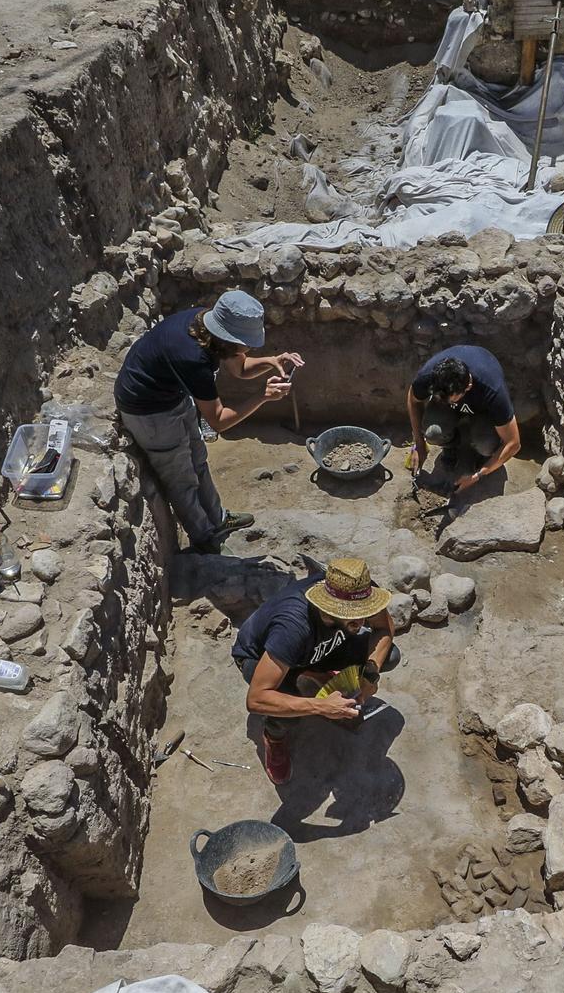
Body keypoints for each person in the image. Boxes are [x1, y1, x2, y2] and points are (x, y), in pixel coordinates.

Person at [114, 290, 302, 553]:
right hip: (147, 410)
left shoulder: (208, 327)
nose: (248, 349)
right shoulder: (193, 359)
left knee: (198, 458)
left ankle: (218, 519)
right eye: (246, 344)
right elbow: (219, 421)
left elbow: (241, 369)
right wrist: (262, 396)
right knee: (181, 478)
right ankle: (204, 540)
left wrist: (272, 362)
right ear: (229, 339)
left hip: (173, 393)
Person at [233, 557, 400, 784]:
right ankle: (274, 737)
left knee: (389, 656)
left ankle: (316, 674)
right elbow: (256, 699)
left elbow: (383, 627)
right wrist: (320, 706)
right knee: (289, 716)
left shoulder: (356, 589)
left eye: (364, 611)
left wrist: (370, 673)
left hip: (310, 652)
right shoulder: (293, 627)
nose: (362, 621)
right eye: (353, 614)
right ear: (330, 607)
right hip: (263, 659)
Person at [405, 346, 522, 493]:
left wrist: (479, 474)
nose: (443, 401)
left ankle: (481, 456)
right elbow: (413, 399)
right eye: (439, 397)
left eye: (450, 399)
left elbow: (513, 443)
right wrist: (419, 445)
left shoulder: (492, 390)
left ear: (468, 386)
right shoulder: (430, 377)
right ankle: (450, 446)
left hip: (483, 412)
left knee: (485, 445)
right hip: (457, 405)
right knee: (432, 433)